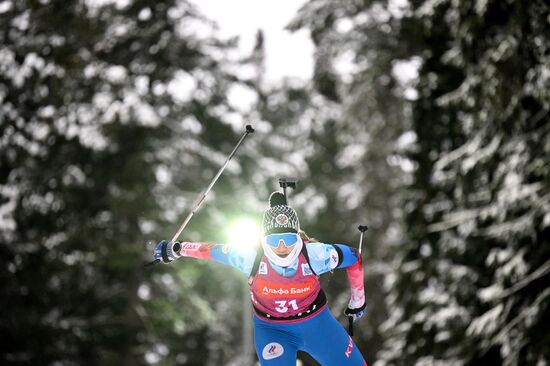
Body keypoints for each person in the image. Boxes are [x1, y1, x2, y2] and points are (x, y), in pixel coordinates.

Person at [154, 192, 368, 365]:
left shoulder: (315, 254)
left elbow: (353, 257)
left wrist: (358, 300)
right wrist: (177, 248)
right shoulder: (250, 257)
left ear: (298, 237)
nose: (282, 247)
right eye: (274, 241)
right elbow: (210, 250)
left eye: (287, 239)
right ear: (264, 240)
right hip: (273, 330)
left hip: (317, 324)